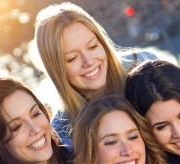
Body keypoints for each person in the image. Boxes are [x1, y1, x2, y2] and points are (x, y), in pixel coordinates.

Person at [34, 1, 156, 151]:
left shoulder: (145, 66)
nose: (89, 61)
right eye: (72, 58)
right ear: (56, 70)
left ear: (102, 42)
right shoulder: (63, 135)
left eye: (93, 46)